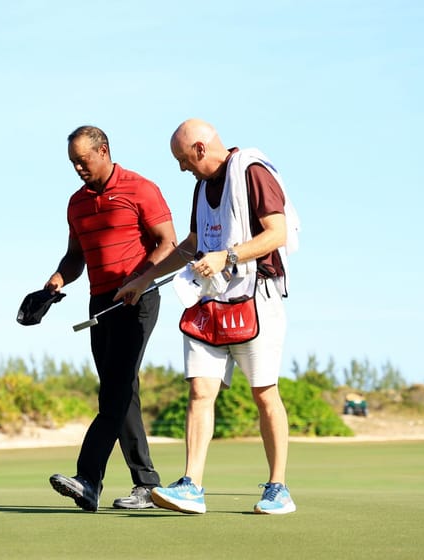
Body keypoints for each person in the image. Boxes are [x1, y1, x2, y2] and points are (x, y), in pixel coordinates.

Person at [115, 118, 299, 515]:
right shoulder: (201, 187)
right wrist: (144, 279)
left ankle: (278, 488)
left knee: (264, 393)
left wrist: (227, 256)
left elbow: (277, 234)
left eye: (183, 159)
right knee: (200, 391)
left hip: (257, 296)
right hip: (209, 302)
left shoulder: (252, 171)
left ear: (199, 148)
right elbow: (192, 246)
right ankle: (191, 485)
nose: (182, 168)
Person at [46, 125, 178, 512]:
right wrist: (56, 279)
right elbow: (75, 257)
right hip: (99, 303)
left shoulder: (140, 188)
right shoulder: (77, 202)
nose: (78, 169)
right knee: (122, 391)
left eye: (82, 161)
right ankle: (147, 485)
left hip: (138, 298)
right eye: (72, 163)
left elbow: (168, 243)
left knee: (115, 391)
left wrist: (140, 280)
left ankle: (88, 479)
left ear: (103, 151)